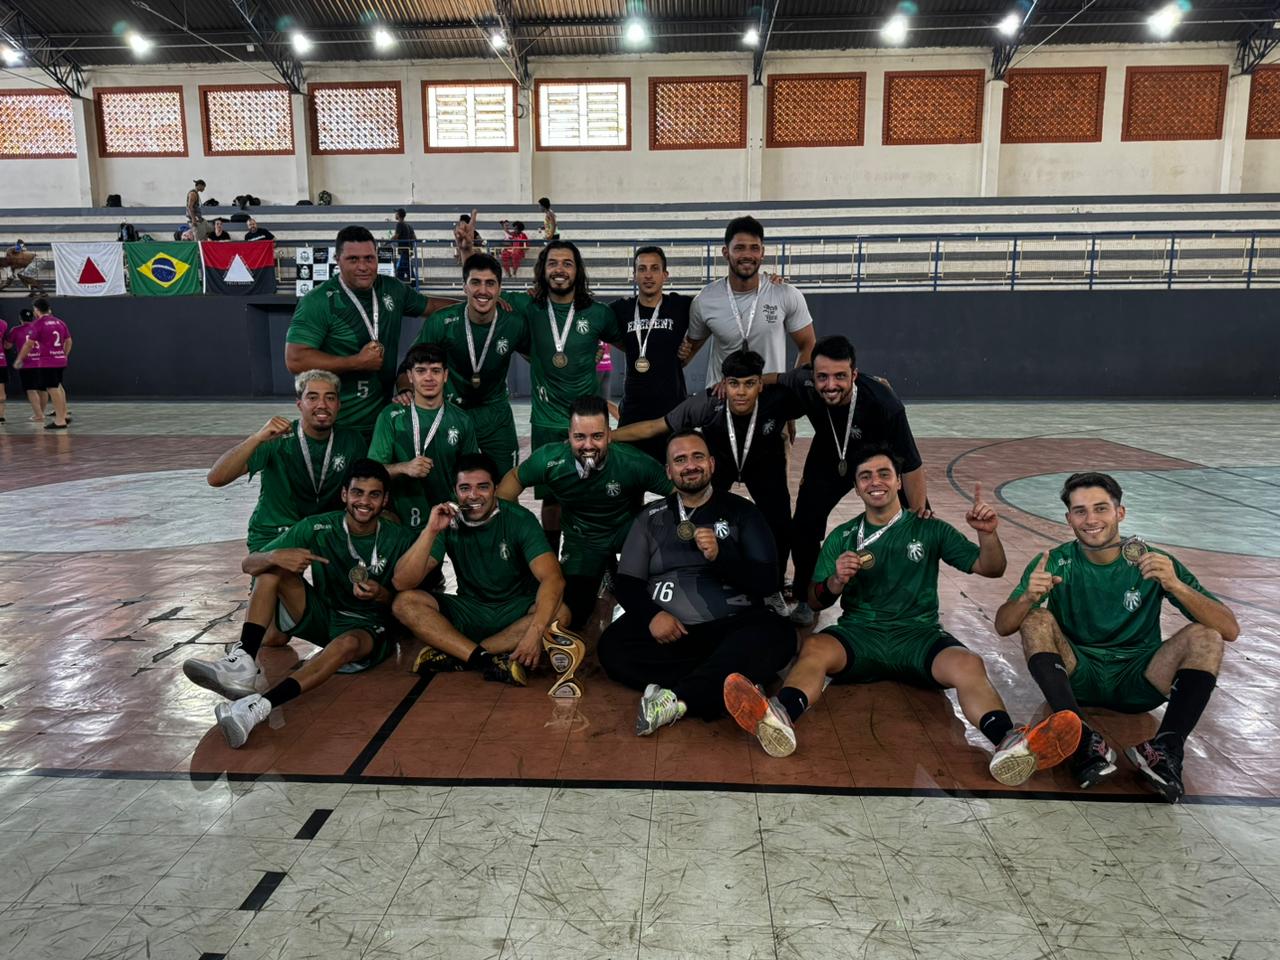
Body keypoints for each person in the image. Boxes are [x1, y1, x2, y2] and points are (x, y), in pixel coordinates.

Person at [723, 446, 1083, 787]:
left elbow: (991, 568)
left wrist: (987, 535)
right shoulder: (843, 536)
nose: (875, 481)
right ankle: (780, 718)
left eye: (884, 473)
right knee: (815, 647)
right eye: (866, 476)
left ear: (898, 481)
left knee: (970, 664)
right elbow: (815, 602)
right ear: (857, 486)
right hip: (860, 636)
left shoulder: (929, 528)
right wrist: (834, 581)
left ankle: (1006, 741)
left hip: (918, 636)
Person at [994, 472, 1239, 802]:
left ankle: (1165, 748)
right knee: (1035, 618)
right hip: (1080, 675)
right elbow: (1003, 625)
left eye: (1101, 508)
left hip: (1141, 679)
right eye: (1080, 511)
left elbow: (1229, 629)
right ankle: (1079, 738)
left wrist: (1175, 585)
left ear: (1119, 513)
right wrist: (1025, 599)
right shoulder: (1055, 562)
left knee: (1205, 635)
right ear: (1068, 518)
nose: (1091, 519)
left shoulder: (1154, 562)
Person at [184, 460, 431, 748]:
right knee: (271, 571)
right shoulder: (317, 526)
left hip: (367, 628)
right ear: (344, 495)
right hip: (324, 616)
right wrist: (274, 556)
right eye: (357, 493)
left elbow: (406, 604)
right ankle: (243, 661)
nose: (364, 501)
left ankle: (254, 708)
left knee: (346, 644)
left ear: (385, 499)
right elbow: (248, 564)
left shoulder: (400, 538)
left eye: (374, 495)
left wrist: (381, 595)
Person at [599, 430, 796, 734]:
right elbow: (627, 582)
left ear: (712, 464)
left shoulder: (743, 512)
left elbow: (768, 581)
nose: (690, 465)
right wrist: (653, 617)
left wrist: (722, 557)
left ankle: (676, 698)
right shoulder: (651, 517)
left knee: (780, 634)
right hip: (671, 633)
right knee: (612, 647)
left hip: (731, 626)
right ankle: (727, 681)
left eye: (697, 457)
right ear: (668, 471)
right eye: (680, 460)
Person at [614, 349, 804, 604]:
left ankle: (774, 589)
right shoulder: (707, 402)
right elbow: (655, 426)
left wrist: (868, 382)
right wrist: (607, 436)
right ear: (723, 383)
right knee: (704, 517)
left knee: (780, 525)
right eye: (734, 384)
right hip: (720, 465)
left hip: (764, 466)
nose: (741, 392)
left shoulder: (779, 399)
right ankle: (705, 574)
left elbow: (810, 378)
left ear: (760, 384)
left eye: (750, 384)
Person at [771, 335, 928, 626]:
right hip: (829, 456)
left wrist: (917, 511)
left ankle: (911, 600)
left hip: (877, 461)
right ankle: (807, 598)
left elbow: (912, 463)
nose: (830, 385)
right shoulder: (803, 382)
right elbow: (773, 378)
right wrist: (736, 381)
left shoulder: (884, 402)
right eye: (823, 377)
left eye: (840, 376)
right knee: (803, 526)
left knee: (918, 526)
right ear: (812, 375)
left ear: (854, 374)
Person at [393, 453, 574, 687]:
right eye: (465, 488)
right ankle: (487, 659)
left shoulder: (519, 519)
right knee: (404, 603)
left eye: (483, 487)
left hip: (515, 611)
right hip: (471, 610)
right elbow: (402, 582)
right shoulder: (448, 519)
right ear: (455, 491)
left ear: (495, 488)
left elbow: (553, 579)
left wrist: (535, 632)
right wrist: (431, 531)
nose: (473, 495)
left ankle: (459, 654)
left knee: (562, 614)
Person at [497, 395, 672, 631]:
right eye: (580, 436)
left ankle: (621, 576)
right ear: (568, 435)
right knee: (573, 616)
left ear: (609, 435)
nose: (588, 445)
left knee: (662, 589)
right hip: (583, 541)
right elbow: (515, 478)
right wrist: (510, 526)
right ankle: (604, 572)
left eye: (597, 436)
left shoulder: (633, 462)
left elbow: (679, 494)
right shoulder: (551, 460)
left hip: (628, 532)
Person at [285, 225, 453, 442]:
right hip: (338, 424)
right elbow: (295, 360)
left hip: (383, 422)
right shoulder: (318, 301)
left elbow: (431, 306)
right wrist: (355, 362)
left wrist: (478, 303)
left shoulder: (392, 288)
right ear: (338, 259)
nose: (363, 266)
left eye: (369, 258)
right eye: (353, 259)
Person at [514, 241, 624, 549]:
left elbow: (635, 346)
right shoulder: (529, 309)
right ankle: (551, 556)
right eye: (553, 263)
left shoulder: (599, 314)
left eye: (567, 263)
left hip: (588, 422)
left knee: (595, 491)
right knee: (552, 498)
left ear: (578, 270)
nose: (559, 269)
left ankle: (597, 557)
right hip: (547, 422)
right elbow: (481, 294)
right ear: (543, 270)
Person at [205, 370, 367, 552]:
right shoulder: (275, 438)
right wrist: (256, 438)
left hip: (326, 530)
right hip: (276, 529)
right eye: (312, 398)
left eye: (330, 398)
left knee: (348, 576)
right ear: (299, 404)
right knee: (272, 579)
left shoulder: (352, 440)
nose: (322, 405)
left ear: (339, 404)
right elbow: (216, 478)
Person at [410, 253, 528, 473]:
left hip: (495, 414)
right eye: (475, 283)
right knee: (448, 485)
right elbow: (413, 363)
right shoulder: (442, 321)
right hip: (452, 411)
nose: (483, 290)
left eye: (490, 283)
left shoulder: (514, 323)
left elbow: (539, 357)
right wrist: (405, 392)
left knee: (506, 484)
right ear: (464, 287)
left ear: (500, 289)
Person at [681, 216, 815, 389]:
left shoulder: (785, 294)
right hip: (722, 400)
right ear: (725, 252)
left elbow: (808, 344)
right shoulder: (705, 299)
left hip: (770, 399)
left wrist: (791, 392)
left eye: (754, 248)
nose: (747, 255)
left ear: (762, 253)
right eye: (739, 248)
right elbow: (687, 353)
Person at [368, 343, 478, 536]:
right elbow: (371, 472)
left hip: (449, 515)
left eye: (435, 371)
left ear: (445, 376)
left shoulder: (462, 420)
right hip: (402, 517)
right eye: (421, 371)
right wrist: (404, 467)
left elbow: (472, 473)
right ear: (410, 376)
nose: (428, 377)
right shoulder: (391, 416)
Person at [609, 246, 693, 463]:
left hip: (671, 412)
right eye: (642, 269)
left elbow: (717, 307)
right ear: (634, 275)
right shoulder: (620, 309)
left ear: (665, 275)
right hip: (633, 414)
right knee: (630, 488)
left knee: (676, 485)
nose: (648, 275)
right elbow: (587, 314)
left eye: (655, 269)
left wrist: (692, 347)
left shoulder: (681, 306)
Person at [14, 298, 70, 429]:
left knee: (52, 388)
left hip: (48, 361)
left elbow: (29, 344)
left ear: (36, 310)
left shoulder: (38, 324)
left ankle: (60, 420)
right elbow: (69, 341)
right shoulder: (59, 322)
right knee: (58, 387)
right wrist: (64, 354)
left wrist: (19, 359)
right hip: (60, 359)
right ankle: (64, 414)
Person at [392, 208, 415, 281]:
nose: (395, 215)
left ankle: (412, 284)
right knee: (406, 268)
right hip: (408, 250)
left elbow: (396, 236)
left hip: (404, 250)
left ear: (398, 215)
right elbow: (415, 238)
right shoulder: (408, 225)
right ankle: (413, 283)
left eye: (396, 213)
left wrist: (387, 242)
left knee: (400, 269)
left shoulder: (399, 224)